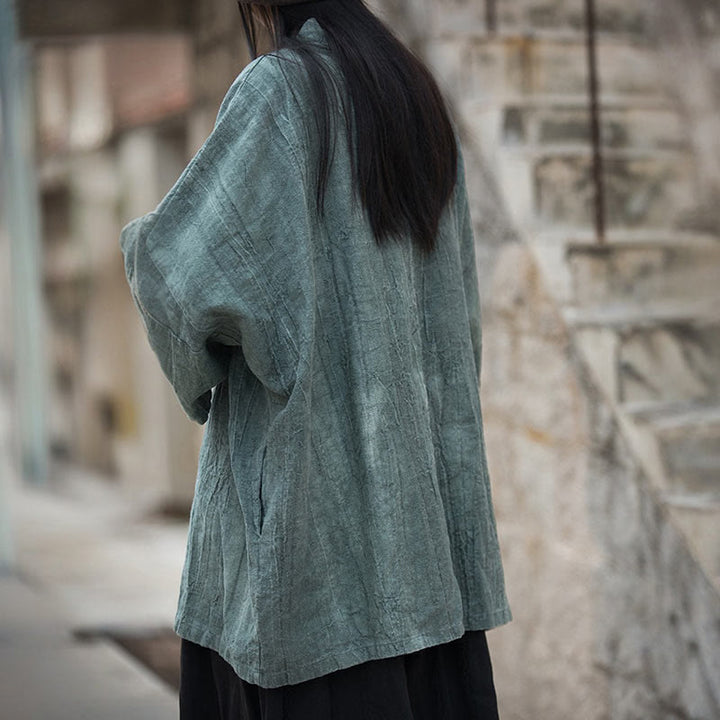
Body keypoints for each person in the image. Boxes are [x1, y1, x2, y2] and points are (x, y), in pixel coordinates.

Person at [119, 0, 513, 717]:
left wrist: (139, 243)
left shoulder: (280, 92)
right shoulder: (415, 95)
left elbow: (178, 280)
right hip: (429, 564)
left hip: (312, 577)